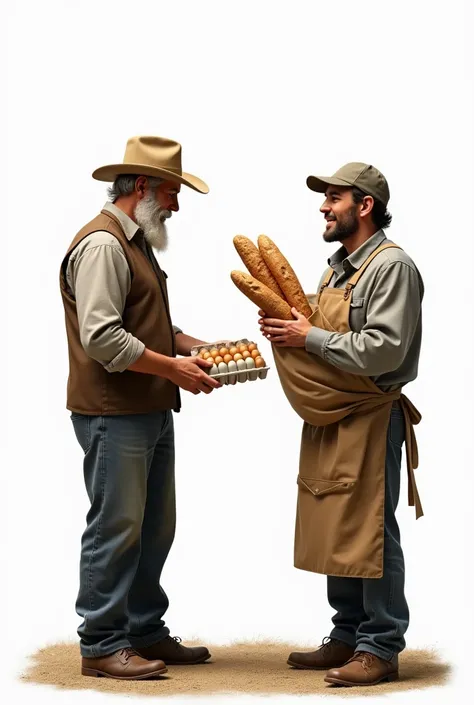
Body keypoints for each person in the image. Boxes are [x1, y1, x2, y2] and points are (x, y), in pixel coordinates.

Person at [59, 135, 222, 680]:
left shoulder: (135, 241)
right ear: (146, 187)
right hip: (115, 412)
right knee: (116, 526)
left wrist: (199, 348)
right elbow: (104, 338)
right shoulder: (105, 245)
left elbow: (149, 327)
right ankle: (102, 643)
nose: (176, 205)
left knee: (154, 526)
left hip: (148, 407)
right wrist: (174, 369)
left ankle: (145, 629)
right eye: (174, 192)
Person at [258, 163, 424, 687]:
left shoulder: (390, 267)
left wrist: (307, 337)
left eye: (334, 197)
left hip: (372, 413)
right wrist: (288, 329)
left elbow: (385, 349)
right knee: (336, 518)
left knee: (369, 526)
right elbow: (323, 330)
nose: (324, 206)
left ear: (365, 205)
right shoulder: (337, 268)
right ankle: (348, 633)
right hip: (334, 411)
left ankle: (381, 644)